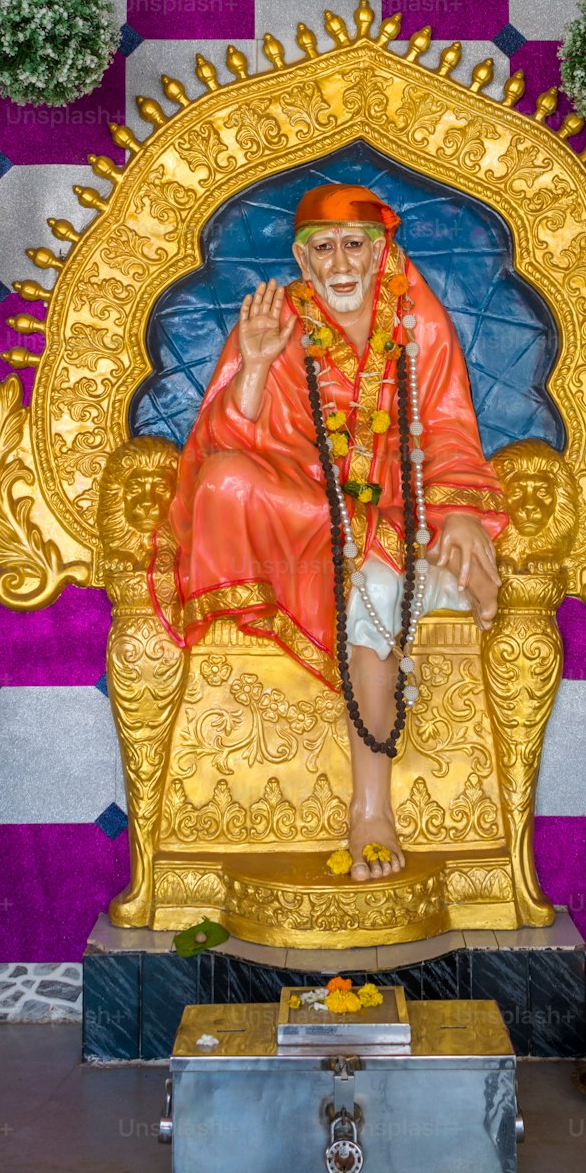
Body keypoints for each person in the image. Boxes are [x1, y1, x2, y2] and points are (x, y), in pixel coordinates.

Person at [168, 183, 506, 880]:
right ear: (303, 256)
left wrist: (462, 511)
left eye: (354, 244)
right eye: (323, 247)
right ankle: (347, 550)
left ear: (381, 250)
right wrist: (257, 363)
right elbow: (232, 438)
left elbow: (445, 425)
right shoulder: (280, 315)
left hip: (399, 517)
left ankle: (371, 812)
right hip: (306, 508)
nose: (340, 260)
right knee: (224, 480)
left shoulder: (418, 318)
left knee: (378, 584)